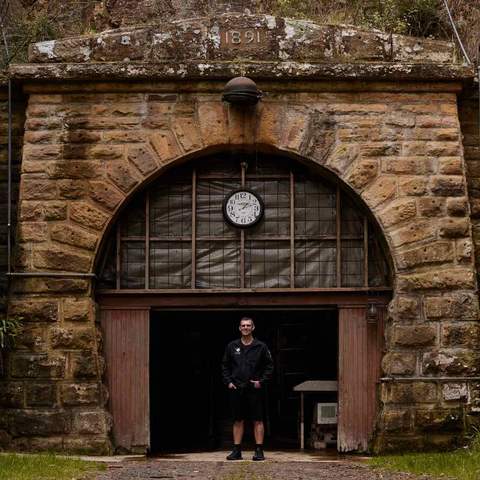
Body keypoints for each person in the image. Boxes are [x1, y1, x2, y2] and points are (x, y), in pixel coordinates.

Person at [221, 316, 274, 461]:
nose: (245, 328)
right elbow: (225, 365)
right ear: (239, 328)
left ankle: (259, 451)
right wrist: (228, 382)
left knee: (258, 420)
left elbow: (269, 367)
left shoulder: (261, 346)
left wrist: (261, 382)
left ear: (253, 327)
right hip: (236, 388)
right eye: (243, 326)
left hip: (254, 389)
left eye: (248, 325)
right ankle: (236, 451)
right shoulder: (232, 346)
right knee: (238, 420)